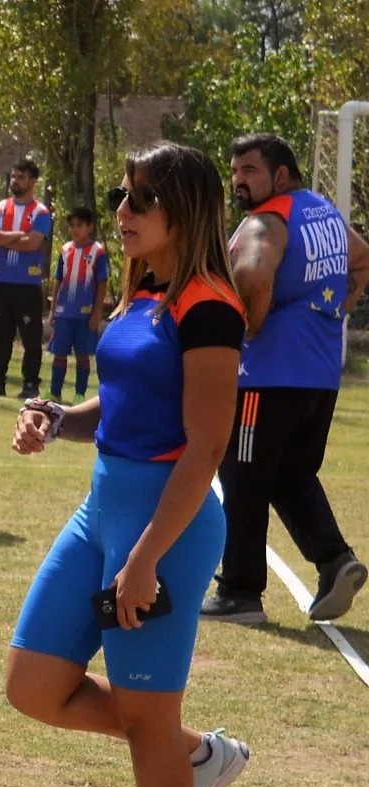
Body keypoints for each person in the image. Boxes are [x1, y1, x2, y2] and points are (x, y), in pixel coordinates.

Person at [6, 143, 250, 787]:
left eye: (141, 200)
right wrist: (56, 418)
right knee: (32, 683)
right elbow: (118, 405)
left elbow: (206, 447)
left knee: (149, 722)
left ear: (185, 209)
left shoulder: (210, 307)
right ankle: (198, 753)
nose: (122, 212)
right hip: (102, 509)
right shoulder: (144, 289)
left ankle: (181, 757)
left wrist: (144, 558)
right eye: (123, 196)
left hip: (166, 528)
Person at [199, 133, 369, 626]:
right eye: (234, 173)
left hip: (267, 375)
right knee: (289, 474)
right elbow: (361, 260)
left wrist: (250, 325)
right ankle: (335, 560)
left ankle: (239, 592)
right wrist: (334, 311)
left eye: (249, 171)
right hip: (319, 376)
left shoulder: (268, 218)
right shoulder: (324, 212)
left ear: (280, 173)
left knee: (243, 475)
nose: (239, 182)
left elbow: (251, 276)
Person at [0, 158, 53, 399]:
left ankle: (30, 383)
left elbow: (33, 243)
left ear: (32, 181)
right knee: (1, 335)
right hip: (0, 282)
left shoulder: (41, 212)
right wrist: (19, 234)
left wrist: (6, 239)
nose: (15, 181)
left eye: (20, 177)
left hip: (27, 285)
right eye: (13, 176)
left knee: (31, 338)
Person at [48, 207, 109, 403]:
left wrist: (96, 314)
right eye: (72, 226)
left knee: (82, 356)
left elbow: (101, 284)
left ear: (90, 227)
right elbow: (58, 280)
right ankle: (54, 392)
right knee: (59, 354)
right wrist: (53, 310)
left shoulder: (97, 252)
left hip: (85, 315)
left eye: (80, 225)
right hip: (64, 313)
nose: (75, 230)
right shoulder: (65, 250)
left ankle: (79, 394)